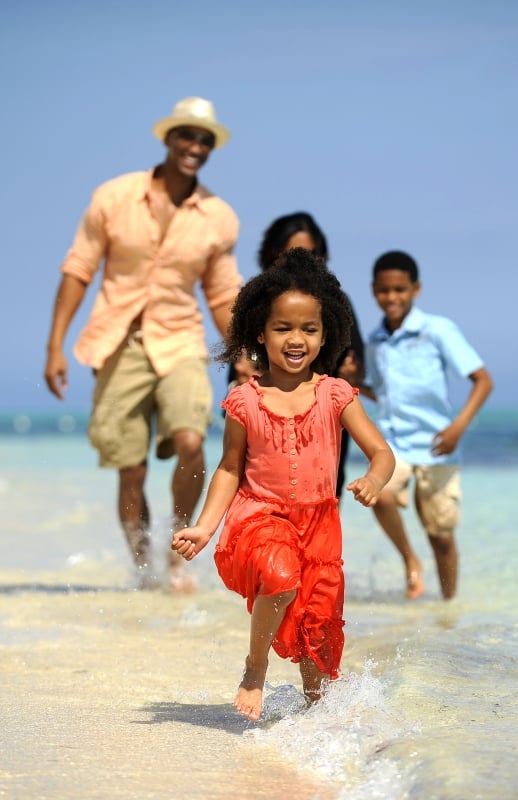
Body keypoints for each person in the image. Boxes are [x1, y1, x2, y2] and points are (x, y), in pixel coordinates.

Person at [172, 248, 394, 721]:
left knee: (318, 640)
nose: (297, 340)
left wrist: (374, 479)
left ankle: (316, 733)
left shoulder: (336, 393)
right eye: (284, 328)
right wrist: (205, 527)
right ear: (260, 332)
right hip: (261, 515)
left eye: (309, 330)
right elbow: (230, 469)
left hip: (320, 524)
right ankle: (255, 670)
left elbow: (381, 452)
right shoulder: (244, 400)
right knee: (278, 573)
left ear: (325, 334)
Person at [44, 97, 243, 592]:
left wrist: (243, 356)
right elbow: (78, 269)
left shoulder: (218, 217)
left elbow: (221, 295)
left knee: (192, 443)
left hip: (181, 341)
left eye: (205, 141)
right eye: (187, 136)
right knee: (130, 471)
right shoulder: (114, 196)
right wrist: (55, 346)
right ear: (168, 138)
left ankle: (178, 547)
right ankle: (143, 571)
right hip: (118, 343)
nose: (195, 147)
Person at [362, 251, 493, 600]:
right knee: (379, 494)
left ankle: (448, 610)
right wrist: (356, 384)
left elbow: (482, 380)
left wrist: (457, 428)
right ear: (374, 290)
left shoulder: (437, 330)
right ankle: (410, 561)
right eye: (384, 290)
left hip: (437, 446)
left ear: (416, 289)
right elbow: (385, 394)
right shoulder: (375, 342)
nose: (392, 298)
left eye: (400, 289)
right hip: (393, 445)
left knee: (441, 537)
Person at [228, 212, 365, 498]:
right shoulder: (261, 302)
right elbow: (228, 469)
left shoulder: (328, 304)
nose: (296, 338)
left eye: (311, 254)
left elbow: (355, 359)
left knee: (327, 489)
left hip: (323, 414)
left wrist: (344, 383)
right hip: (263, 413)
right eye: (290, 252)